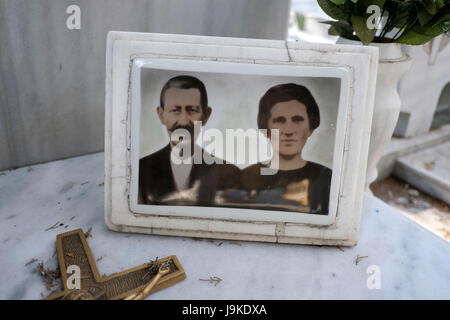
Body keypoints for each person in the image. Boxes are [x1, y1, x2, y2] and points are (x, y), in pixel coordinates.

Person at [138, 75, 239, 206]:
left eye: (192, 110)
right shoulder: (140, 170)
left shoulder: (228, 173)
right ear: (161, 115)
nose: (183, 121)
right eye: (175, 110)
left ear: (206, 116)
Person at [240, 83, 332, 214]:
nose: (288, 131)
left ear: (310, 128)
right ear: (266, 129)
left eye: (297, 120)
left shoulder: (327, 179)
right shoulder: (246, 177)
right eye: (279, 120)